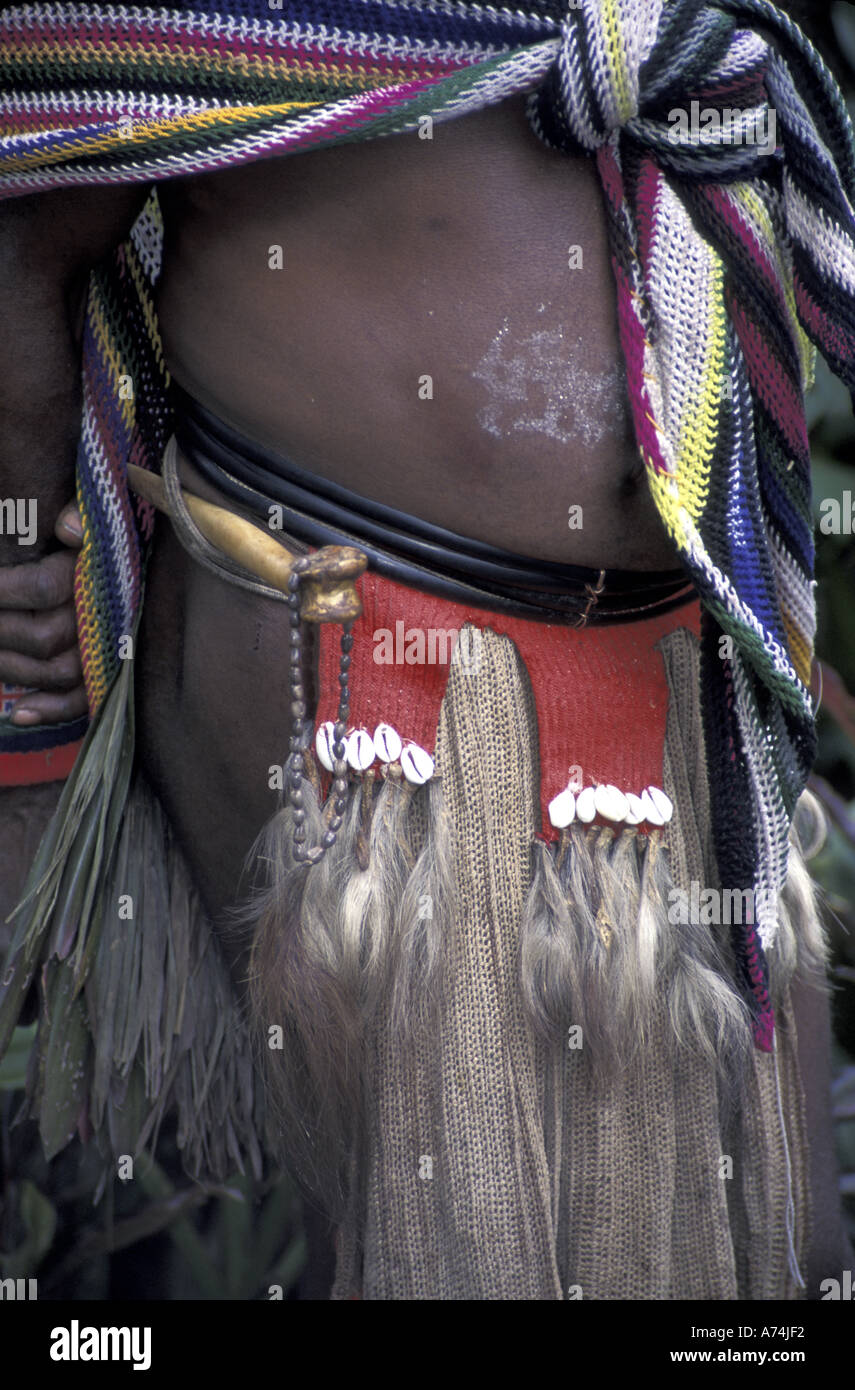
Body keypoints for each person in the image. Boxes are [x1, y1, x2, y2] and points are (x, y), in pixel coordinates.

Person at [0, 0, 853, 1298]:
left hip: (684, 672)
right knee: (465, 1246)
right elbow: (26, 226)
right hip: (366, 666)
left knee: (758, 1263)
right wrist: (32, 560)